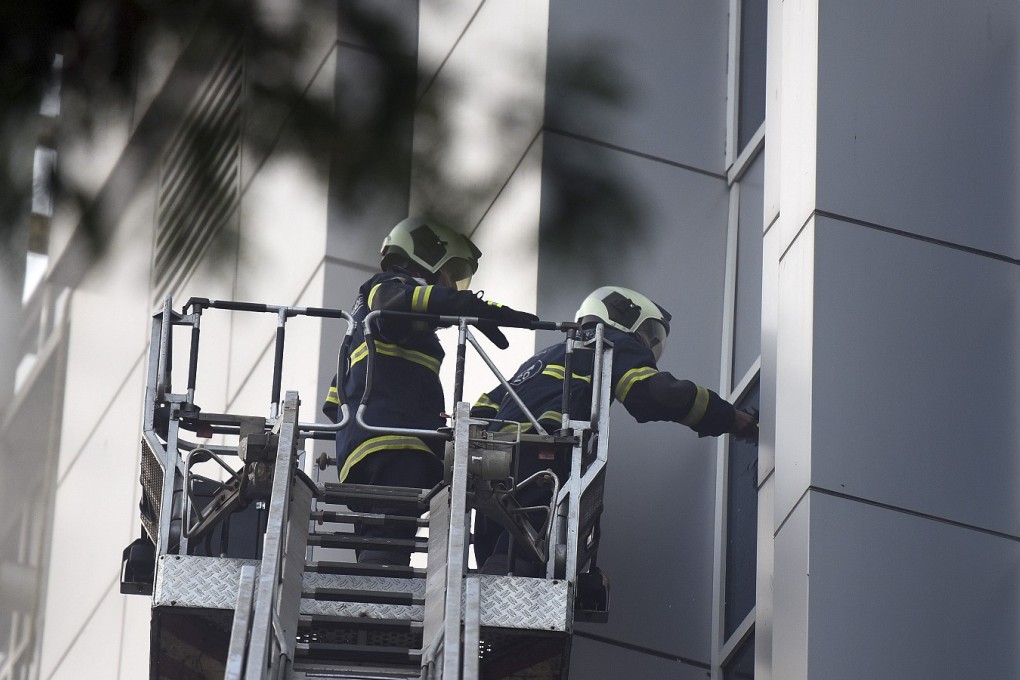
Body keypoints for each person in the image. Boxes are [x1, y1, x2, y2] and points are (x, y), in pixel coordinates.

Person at [469, 286, 758, 575]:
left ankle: (484, 602)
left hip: (491, 463)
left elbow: (483, 407)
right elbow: (657, 394)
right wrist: (729, 417)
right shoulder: (610, 340)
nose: (648, 343)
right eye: (648, 332)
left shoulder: (545, 355)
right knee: (527, 551)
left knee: (500, 553)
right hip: (542, 455)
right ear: (623, 314)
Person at [321, 216, 537, 565]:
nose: (452, 285)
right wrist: (473, 307)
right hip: (397, 445)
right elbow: (396, 304)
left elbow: (334, 402)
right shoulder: (385, 287)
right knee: (389, 549)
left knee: (378, 543)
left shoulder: (362, 332)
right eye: (451, 272)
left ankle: (365, 611)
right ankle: (376, 612)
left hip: (363, 452)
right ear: (427, 256)